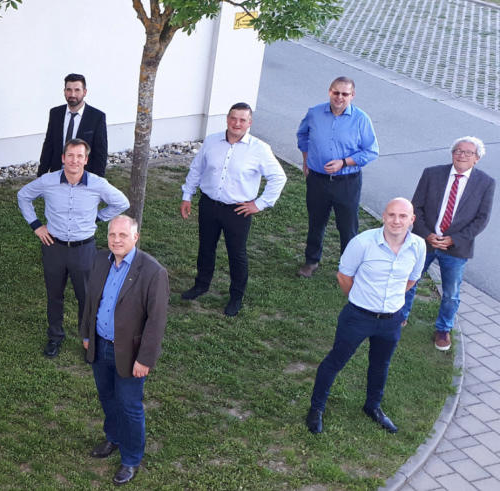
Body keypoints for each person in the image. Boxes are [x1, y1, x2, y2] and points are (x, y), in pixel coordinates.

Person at [306, 198, 425, 435]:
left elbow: (412, 279)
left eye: (403, 216)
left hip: (391, 320)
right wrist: (362, 299)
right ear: (383, 216)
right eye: (392, 215)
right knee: (335, 362)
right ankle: (316, 409)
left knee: (381, 366)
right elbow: (344, 276)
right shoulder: (362, 243)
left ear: (412, 220)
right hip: (358, 317)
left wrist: (389, 301)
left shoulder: (418, 246)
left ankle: (373, 407)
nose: (396, 221)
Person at [18, 138, 129, 359]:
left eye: (79, 156)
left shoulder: (97, 184)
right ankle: (55, 337)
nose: (74, 160)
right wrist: (37, 226)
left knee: (86, 297)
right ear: (63, 158)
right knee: (54, 295)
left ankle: (88, 340)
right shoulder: (48, 181)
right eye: (70, 155)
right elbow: (23, 196)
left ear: (86, 160)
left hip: (83, 250)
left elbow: (122, 203)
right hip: (54, 247)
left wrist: (98, 217)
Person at [79, 215, 169, 486]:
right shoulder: (100, 259)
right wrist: (87, 334)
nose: (116, 240)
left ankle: (131, 459)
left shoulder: (153, 272)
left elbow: (156, 321)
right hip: (100, 345)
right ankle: (114, 438)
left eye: (123, 235)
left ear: (135, 237)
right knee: (107, 397)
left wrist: (145, 359)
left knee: (129, 407)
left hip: (130, 354)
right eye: (112, 235)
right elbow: (91, 301)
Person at [179, 102, 287, 316]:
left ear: (250, 122)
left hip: (238, 211)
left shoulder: (259, 149)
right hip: (209, 205)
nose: (237, 123)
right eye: (233, 118)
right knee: (205, 247)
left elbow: (279, 177)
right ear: (227, 119)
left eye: (242, 120)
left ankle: (236, 296)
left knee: (236, 254)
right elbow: (196, 169)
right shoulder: (211, 141)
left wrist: (259, 204)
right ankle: (201, 285)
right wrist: (187, 196)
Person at [401, 137, 494, 350]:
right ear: (452, 154)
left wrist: (454, 239)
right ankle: (400, 316)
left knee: (451, 293)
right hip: (425, 241)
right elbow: (416, 207)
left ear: (477, 159)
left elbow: (482, 219)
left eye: (468, 152)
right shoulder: (431, 174)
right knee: (409, 279)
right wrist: (427, 234)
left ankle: (443, 329)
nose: (462, 155)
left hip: (456, 247)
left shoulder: (486, 183)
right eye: (458, 151)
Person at [296, 76, 379, 278]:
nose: (339, 97)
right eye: (336, 92)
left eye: (345, 94)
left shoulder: (361, 119)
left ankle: (348, 268)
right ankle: (311, 261)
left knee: (347, 226)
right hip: (317, 180)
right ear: (329, 91)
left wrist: (344, 162)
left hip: (347, 182)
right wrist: (306, 160)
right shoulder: (314, 113)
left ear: (352, 95)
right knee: (316, 222)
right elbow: (303, 136)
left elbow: (371, 151)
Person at [38, 73, 109, 177]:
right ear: (64, 91)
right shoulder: (55, 113)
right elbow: (48, 146)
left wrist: (97, 181)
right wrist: (41, 176)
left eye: (77, 90)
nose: (72, 94)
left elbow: (100, 153)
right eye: (69, 90)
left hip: (83, 175)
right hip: (58, 173)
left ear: (84, 92)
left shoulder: (97, 117)